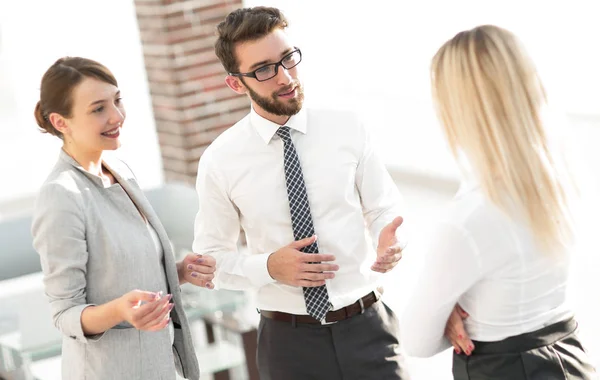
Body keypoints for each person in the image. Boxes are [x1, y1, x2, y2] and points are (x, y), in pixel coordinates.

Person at [191, 6, 411, 380]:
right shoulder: (220, 161)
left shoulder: (348, 127)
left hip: (370, 330)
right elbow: (211, 259)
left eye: (288, 58)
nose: (285, 77)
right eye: (264, 69)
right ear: (236, 83)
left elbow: (383, 207)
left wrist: (389, 238)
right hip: (288, 345)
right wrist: (268, 267)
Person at [401, 25, 598, 379]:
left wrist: (444, 315)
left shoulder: (469, 220)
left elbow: (415, 340)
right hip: (571, 360)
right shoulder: (560, 178)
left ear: (459, 109)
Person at [31, 57, 215, 380]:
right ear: (61, 122)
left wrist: (180, 272)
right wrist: (119, 311)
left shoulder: (121, 173)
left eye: (117, 100)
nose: (117, 116)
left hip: (157, 367)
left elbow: (125, 275)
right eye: (98, 109)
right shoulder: (61, 195)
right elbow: (64, 313)